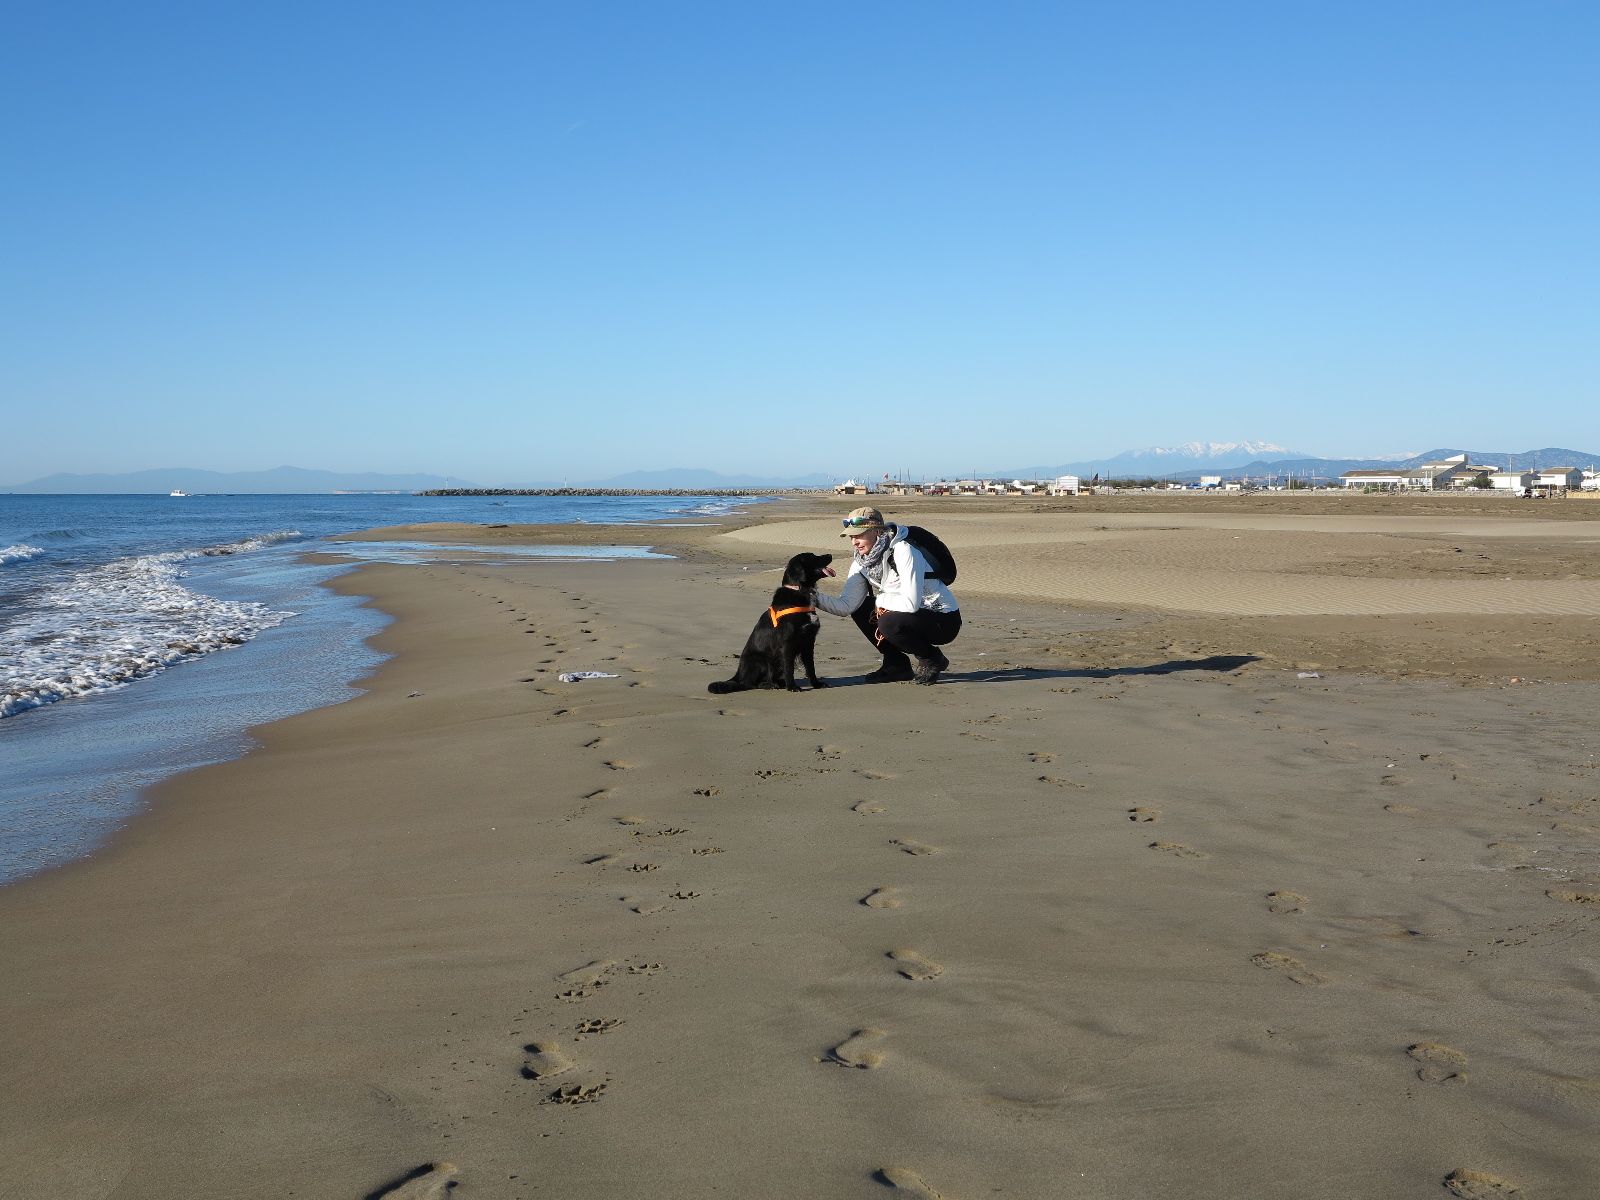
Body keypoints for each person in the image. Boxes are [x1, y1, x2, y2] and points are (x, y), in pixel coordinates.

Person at [811, 506, 960, 685]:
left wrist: (881, 601)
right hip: (906, 614)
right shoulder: (861, 563)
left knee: (888, 622)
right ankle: (896, 664)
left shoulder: (903, 550)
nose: (854, 542)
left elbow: (910, 604)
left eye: (858, 535)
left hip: (942, 619)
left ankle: (931, 658)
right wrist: (810, 596)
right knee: (861, 608)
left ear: (876, 531)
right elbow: (847, 606)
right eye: (851, 537)